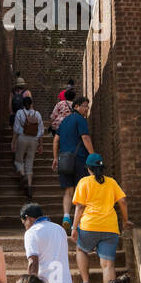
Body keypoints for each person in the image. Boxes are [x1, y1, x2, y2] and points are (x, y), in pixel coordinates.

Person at [71, 152, 132, 283]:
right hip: (110, 227)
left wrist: (74, 228)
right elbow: (123, 201)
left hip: (89, 225)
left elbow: (79, 206)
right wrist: (125, 220)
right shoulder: (112, 182)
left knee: (81, 249)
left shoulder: (84, 182)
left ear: (88, 168)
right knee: (108, 265)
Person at [53, 96, 93, 233]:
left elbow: (56, 140)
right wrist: (92, 154)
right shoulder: (80, 120)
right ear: (76, 106)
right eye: (85, 106)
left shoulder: (63, 122)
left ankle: (66, 217)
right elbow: (85, 137)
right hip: (79, 159)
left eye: (88, 106)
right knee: (80, 190)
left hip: (64, 159)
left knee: (68, 191)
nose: (87, 109)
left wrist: (55, 158)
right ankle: (78, 222)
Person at [12, 95, 44, 197]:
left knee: (18, 159)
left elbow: (16, 128)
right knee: (30, 162)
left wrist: (13, 141)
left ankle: (22, 175)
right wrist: (40, 144)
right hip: (34, 139)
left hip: (22, 137)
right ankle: (29, 187)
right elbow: (41, 130)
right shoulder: (37, 114)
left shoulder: (20, 113)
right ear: (31, 104)